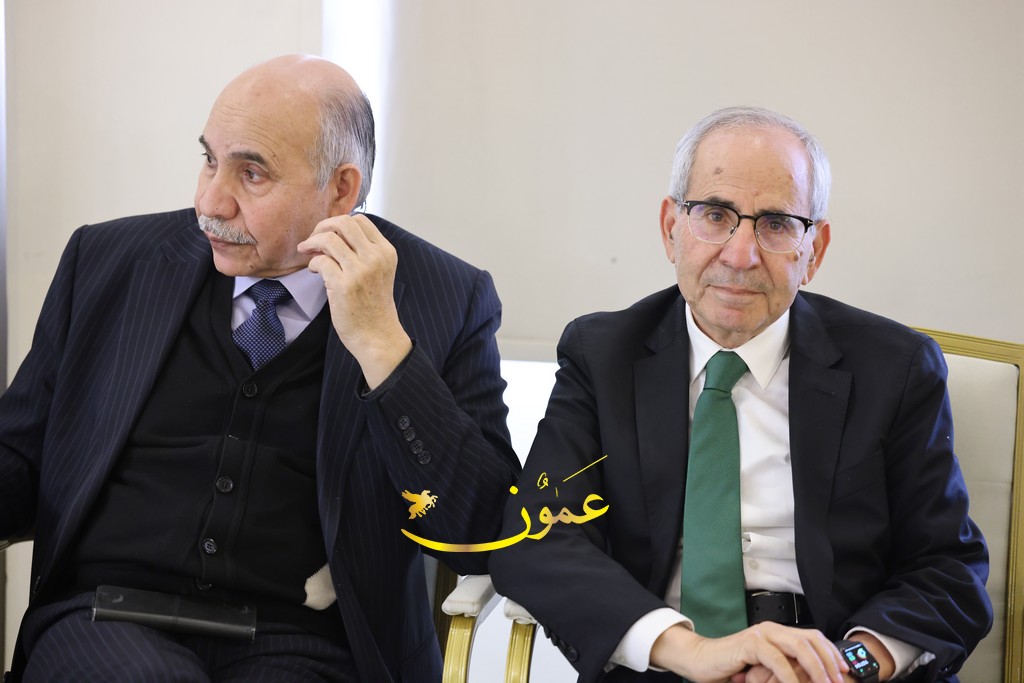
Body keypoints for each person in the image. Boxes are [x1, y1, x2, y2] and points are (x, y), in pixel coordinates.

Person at [0, 55, 519, 682]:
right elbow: (19, 459)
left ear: (341, 189)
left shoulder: (444, 298)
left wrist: (385, 349)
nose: (210, 202)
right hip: (108, 622)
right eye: (209, 160)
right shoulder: (108, 261)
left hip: (307, 645)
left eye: (252, 173)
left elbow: (480, 530)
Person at [489, 106, 991, 683]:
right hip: (667, 660)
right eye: (715, 215)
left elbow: (947, 568)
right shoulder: (602, 356)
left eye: (776, 224)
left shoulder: (894, 368)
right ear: (670, 228)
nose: (741, 254)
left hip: (832, 661)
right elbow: (541, 537)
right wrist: (690, 651)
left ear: (815, 250)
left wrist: (846, 666)